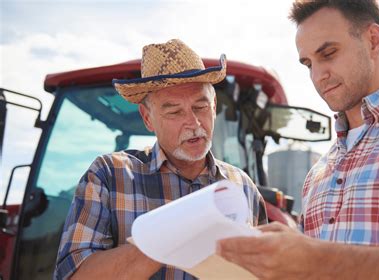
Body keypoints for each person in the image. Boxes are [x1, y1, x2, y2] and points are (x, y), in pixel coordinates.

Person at [217, 1, 379, 279]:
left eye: (328, 53)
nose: (317, 76)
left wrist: (317, 259)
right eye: (308, 64)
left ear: (373, 41)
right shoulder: (317, 176)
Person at [54, 39, 267, 279]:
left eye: (201, 107)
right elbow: (73, 275)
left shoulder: (244, 187)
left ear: (214, 104)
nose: (194, 124)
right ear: (147, 118)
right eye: (175, 111)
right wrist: (181, 229)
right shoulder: (108, 175)